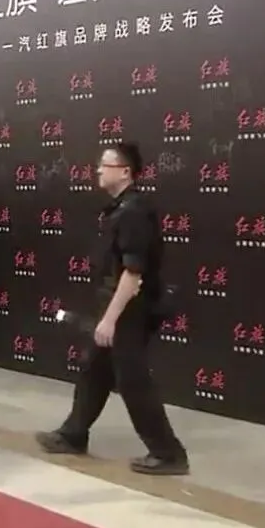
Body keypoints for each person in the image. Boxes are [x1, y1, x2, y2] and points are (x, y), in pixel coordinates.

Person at [36, 142, 189, 476]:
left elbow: (133, 275)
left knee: (132, 380)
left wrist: (109, 319)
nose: (98, 170)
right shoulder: (121, 208)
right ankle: (73, 434)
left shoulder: (133, 212)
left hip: (130, 308)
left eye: (105, 165)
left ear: (125, 172)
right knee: (95, 370)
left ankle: (168, 453)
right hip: (118, 305)